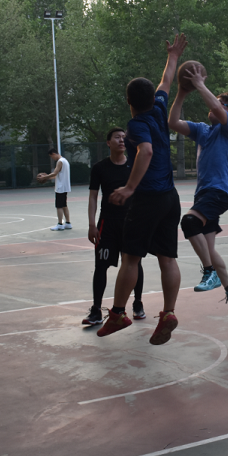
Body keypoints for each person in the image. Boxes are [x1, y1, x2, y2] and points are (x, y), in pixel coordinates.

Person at [97, 33, 187, 346]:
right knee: (167, 258)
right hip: (170, 198)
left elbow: (145, 151)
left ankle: (118, 313)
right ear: (152, 98)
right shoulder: (159, 106)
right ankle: (169, 312)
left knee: (131, 258)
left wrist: (129, 187)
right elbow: (166, 80)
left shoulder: (136, 124)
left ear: (128, 102)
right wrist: (173, 56)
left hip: (147, 198)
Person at [168, 62, 228, 319]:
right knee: (209, 249)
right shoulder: (203, 131)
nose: (212, 106)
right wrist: (182, 92)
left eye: (220, 104)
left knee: (189, 222)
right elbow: (172, 122)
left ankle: (210, 272)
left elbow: (217, 108)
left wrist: (200, 83)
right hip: (205, 193)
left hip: (220, 191)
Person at [83, 127, 145, 326]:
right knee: (101, 266)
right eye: (117, 137)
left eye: (124, 137)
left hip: (131, 223)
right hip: (107, 224)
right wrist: (92, 224)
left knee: (134, 264)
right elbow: (93, 196)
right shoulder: (100, 168)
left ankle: (137, 303)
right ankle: (96, 310)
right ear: (108, 143)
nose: (121, 140)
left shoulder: (134, 165)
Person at [37, 149, 72, 231]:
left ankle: (60, 224)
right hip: (65, 187)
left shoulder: (60, 161)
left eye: (51, 156)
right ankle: (68, 223)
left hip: (60, 188)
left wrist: (44, 177)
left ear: (53, 154)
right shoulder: (65, 161)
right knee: (64, 205)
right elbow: (57, 175)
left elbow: (55, 173)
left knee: (59, 206)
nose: (52, 158)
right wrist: (47, 177)